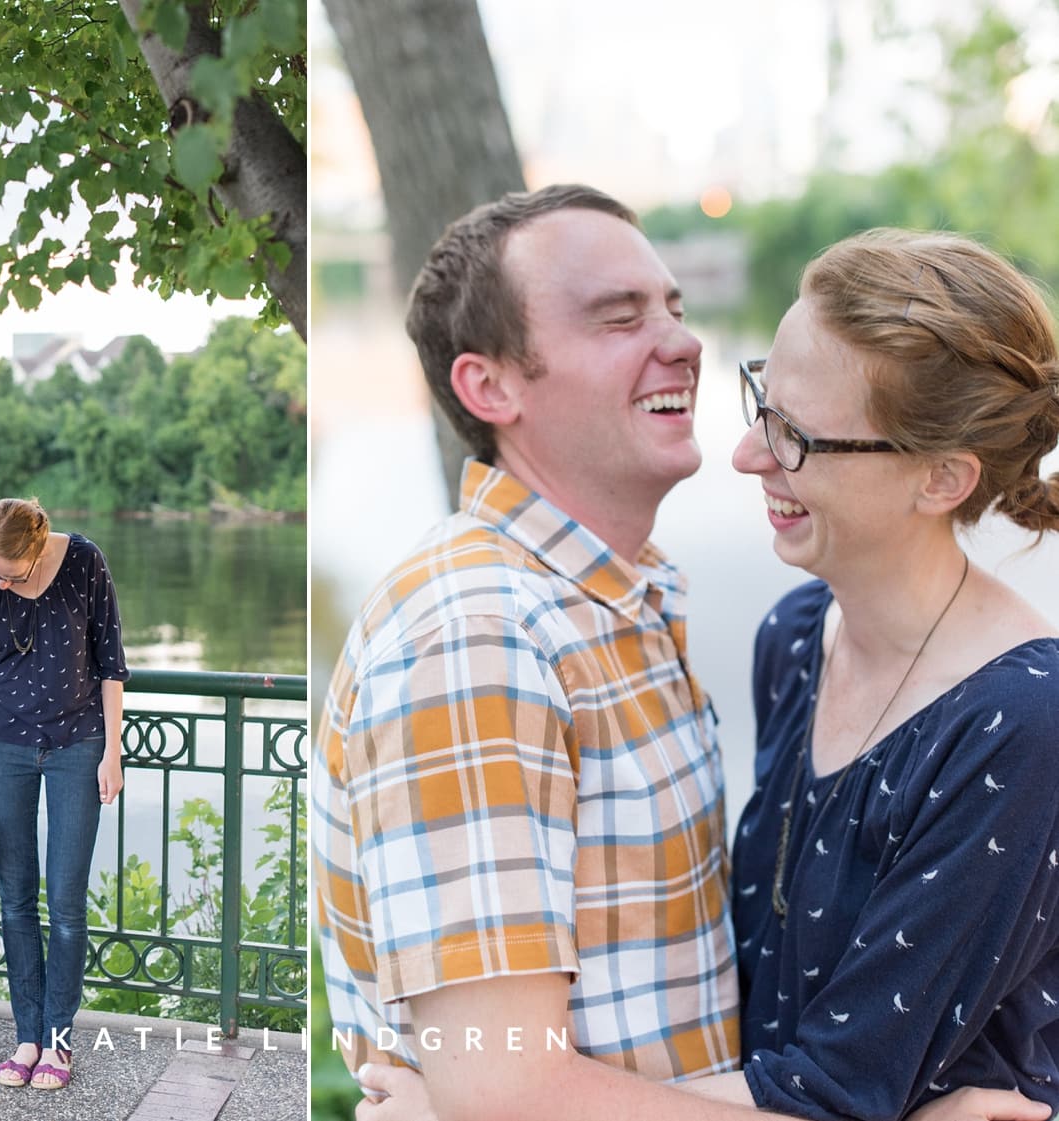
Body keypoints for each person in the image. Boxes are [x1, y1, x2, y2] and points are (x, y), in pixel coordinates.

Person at [354, 229, 1059, 1121]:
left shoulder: (1021, 723)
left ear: (942, 478)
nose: (750, 454)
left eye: (799, 437)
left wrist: (473, 1109)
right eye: (763, 401)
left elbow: (838, 1091)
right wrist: (493, 1096)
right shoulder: (799, 638)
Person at [312, 184, 745, 1112]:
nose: (682, 341)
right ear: (491, 385)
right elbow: (510, 1096)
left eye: (673, 307)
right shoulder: (477, 639)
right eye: (619, 318)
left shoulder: (607, 600)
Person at [0, 496, 128, 1090]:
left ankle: (59, 1041)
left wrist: (113, 751)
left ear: (38, 545)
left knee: (67, 907)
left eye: (7, 572)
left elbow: (110, 664)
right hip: (5, 749)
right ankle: (26, 1037)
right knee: (16, 901)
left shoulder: (84, 563)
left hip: (79, 745)